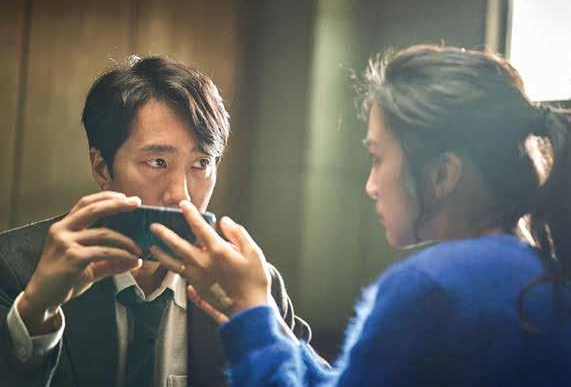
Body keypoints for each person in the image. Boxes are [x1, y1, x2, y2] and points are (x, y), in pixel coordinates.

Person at [148, 45, 571, 386]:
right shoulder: (538, 273)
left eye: (377, 158)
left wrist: (251, 316)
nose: (371, 185)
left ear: (442, 174)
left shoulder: (430, 289)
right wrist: (264, 317)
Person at [0, 56, 310, 387]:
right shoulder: (13, 267)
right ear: (102, 167)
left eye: (201, 163)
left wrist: (262, 323)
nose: (181, 196)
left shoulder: (249, 282)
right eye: (158, 162)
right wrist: (35, 312)